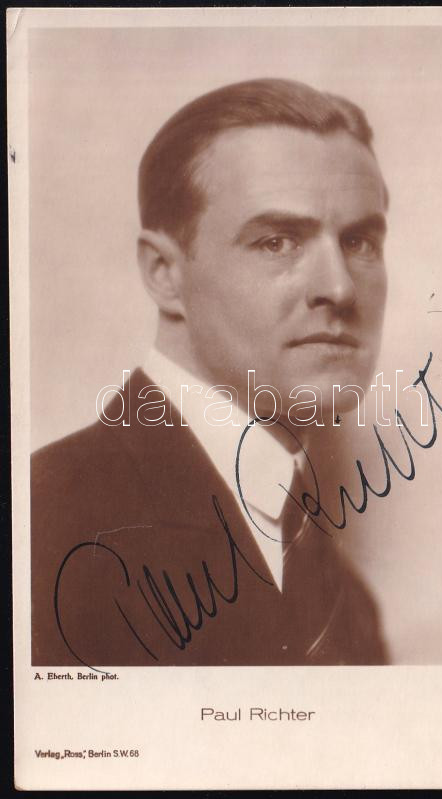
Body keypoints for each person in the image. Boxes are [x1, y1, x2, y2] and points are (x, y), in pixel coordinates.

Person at [31, 78, 390, 668]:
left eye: (360, 242)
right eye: (277, 242)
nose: (340, 287)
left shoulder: (347, 602)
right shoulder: (45, 526)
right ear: (165, 274)